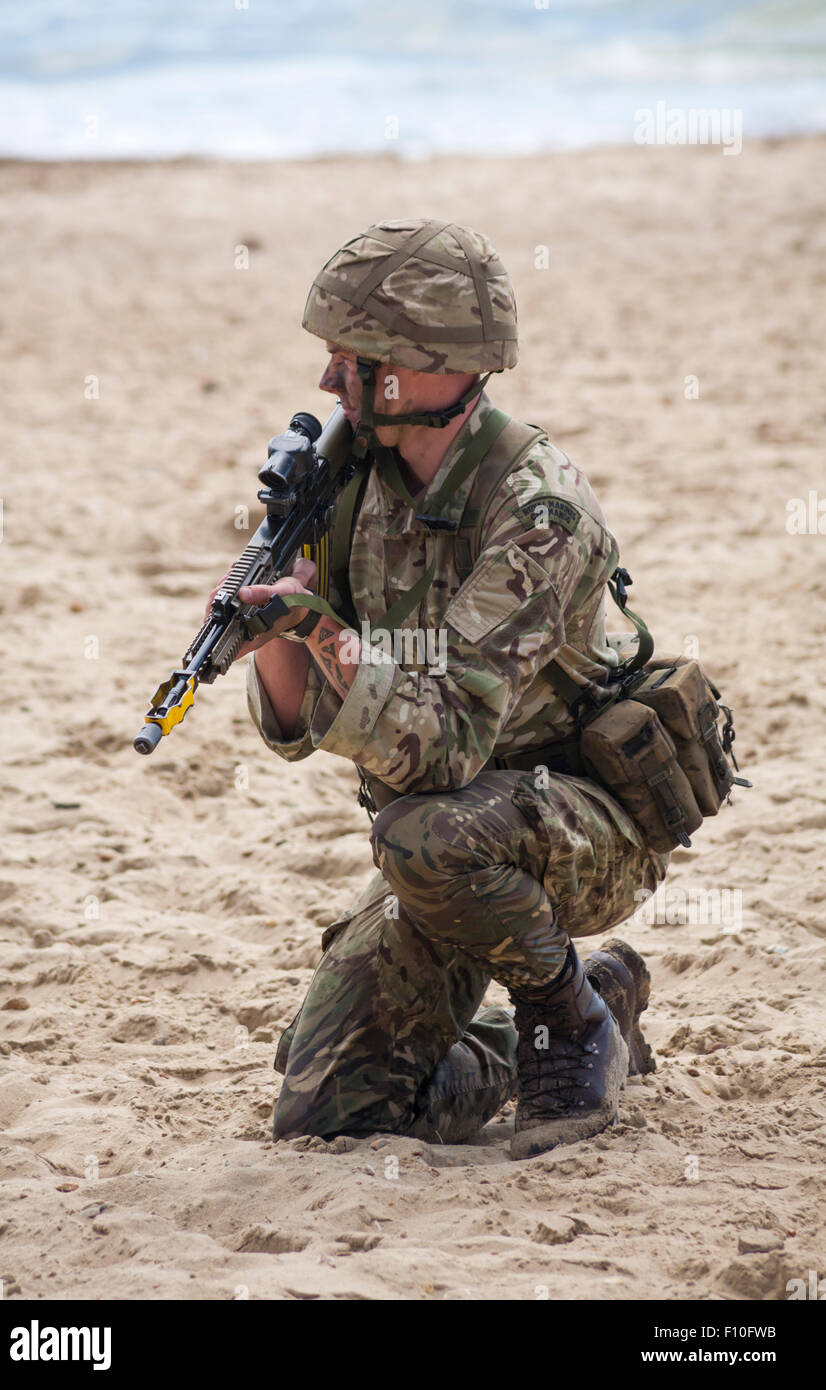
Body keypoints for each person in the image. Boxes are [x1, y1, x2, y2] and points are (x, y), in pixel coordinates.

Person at [227, 219, 669, 1158]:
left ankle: (568, 1017)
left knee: (424, 834)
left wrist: (320, 631)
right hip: (441, 841)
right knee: (327, 1111)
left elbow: (454, 737)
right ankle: (600, 999)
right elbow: (300, 726)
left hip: (578, 827)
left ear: (429, 367)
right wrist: (273, 632)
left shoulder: (537, 511)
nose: (328, 382)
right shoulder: (357, 485)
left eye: (355, 358)